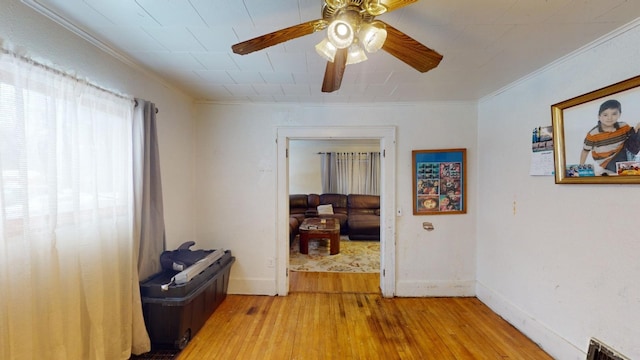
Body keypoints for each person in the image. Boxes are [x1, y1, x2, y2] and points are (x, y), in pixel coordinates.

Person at [579, 99, 640, 174]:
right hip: (608, 160)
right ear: (599, 116)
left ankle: (631, 160)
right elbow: (585, 151)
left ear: (619, 114)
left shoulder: (623, 126)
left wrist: (638, 127)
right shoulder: (593, 134)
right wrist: (581, 166)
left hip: (624, 150)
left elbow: (633, 135)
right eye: (605, 115)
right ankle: (631, 163)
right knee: (625, 169)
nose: (609, 118)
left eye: (614, 114)